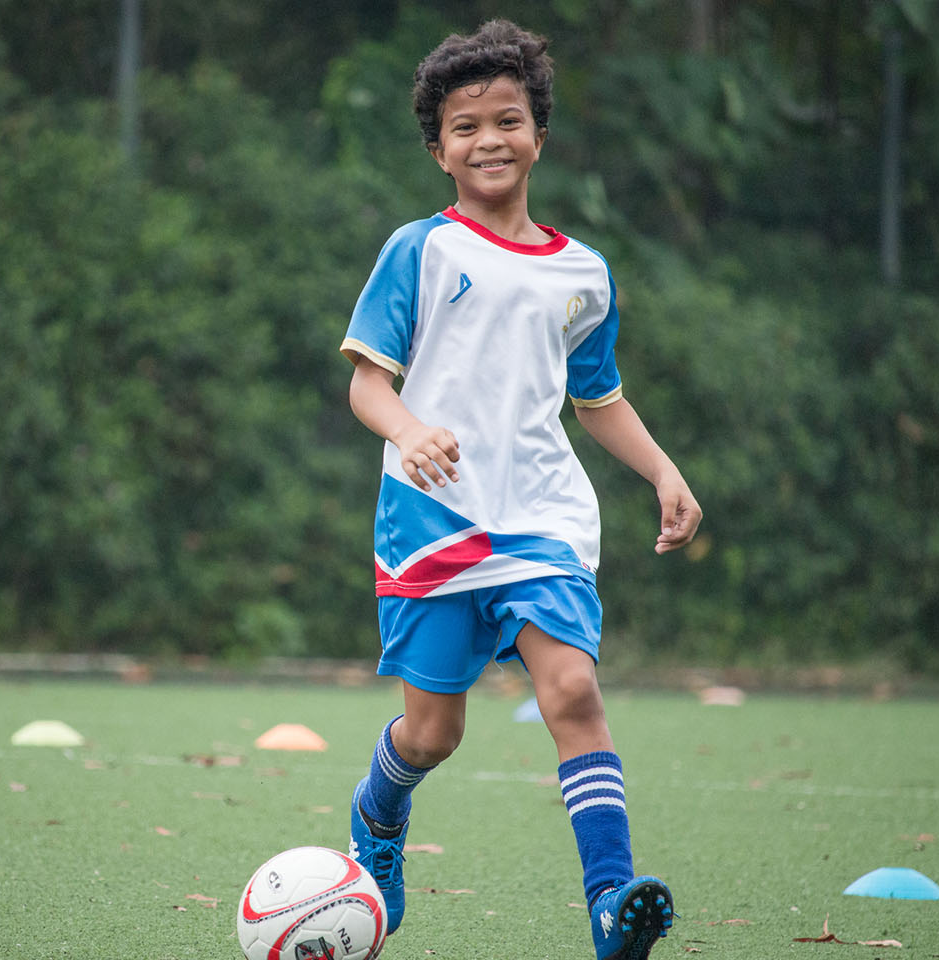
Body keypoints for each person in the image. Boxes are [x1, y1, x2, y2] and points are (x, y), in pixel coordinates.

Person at [340, 19, 702, 960]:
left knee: (572, 688)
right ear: (438, 151)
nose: (488, 140)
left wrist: (662, 470)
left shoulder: (584, 273)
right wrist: (411, 429)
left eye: (508, 120)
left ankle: (611, 909)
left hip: (542, 516)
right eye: (465, 127)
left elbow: (599, 399)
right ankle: (379, 816)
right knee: (433, 732)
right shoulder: (417, 250)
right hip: (430, 526)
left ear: (539, 132)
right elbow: (366, 383)